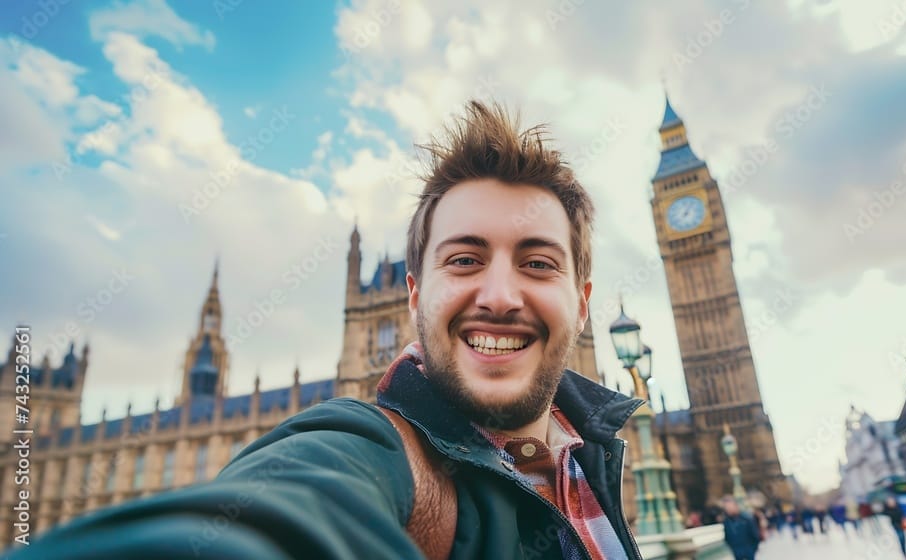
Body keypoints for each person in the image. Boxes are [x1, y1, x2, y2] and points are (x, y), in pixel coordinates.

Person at [5, 101, 644, 559]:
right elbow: (283, 509)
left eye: (537, 263)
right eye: (464, 260)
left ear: (580, 303)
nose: (501, 296)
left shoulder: (592, 451)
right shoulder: (370, 449)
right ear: (414, 299)